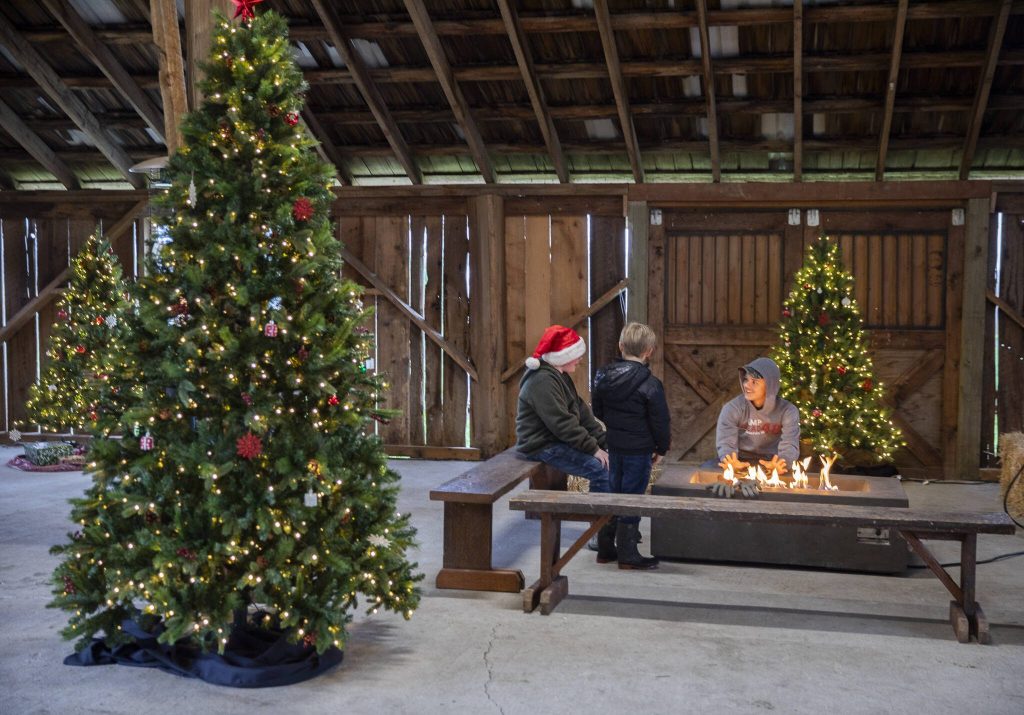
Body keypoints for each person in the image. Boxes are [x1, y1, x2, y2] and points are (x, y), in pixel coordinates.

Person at [515, 325, 614, 562]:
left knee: (607, 461)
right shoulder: (542, 381)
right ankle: (599, 535)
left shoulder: (560, 377)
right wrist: (593, 449)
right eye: (576, 355)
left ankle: (607, 526)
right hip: (540, 445)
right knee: (599, 469)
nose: (580, 360)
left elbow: (581, 413)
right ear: (563, 356)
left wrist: (604, 442)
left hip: (555, 440)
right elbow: (562, 423)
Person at [592, 322, 670, 570]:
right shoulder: (651, 384)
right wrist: (662, 447)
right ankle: (627, 554)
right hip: (639, 450)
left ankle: (605, 548)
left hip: (614, 446)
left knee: (613, 492)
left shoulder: (603, 377)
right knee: (632, 496)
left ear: (620, 346)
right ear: (649, 351)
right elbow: (660, 421)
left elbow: (598, 410)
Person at [707, 356, 800, 498]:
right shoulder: (732, 408)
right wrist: (729, 459)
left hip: (770, 464)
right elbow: (726, 442)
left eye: (754, 382)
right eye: (745, 379)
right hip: (740, 462)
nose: (746, 385)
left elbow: (790, 444)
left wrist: (783, 462)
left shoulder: (788, 411)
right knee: (705, 473)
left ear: (770, 385)